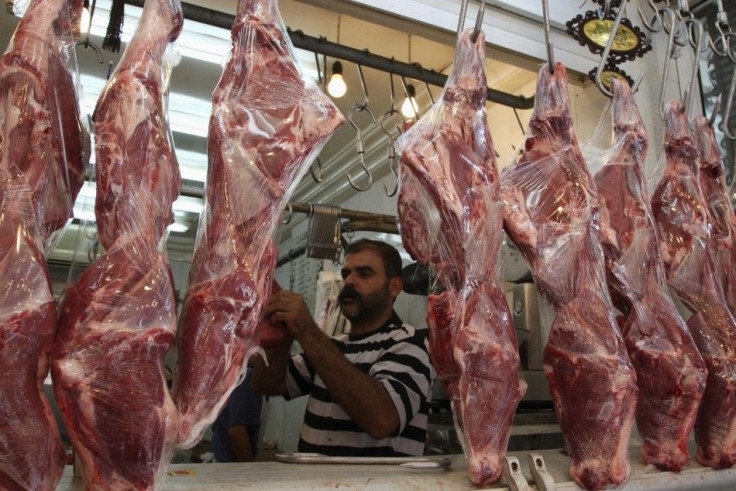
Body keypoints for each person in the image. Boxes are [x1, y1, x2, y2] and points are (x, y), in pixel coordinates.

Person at [251, 238, 435, 456]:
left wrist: (308, 332)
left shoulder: (411, 344)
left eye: (364, 274)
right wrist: (284, 337)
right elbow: (266, 384)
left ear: (394, 287)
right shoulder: (333, 345)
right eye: (346, 273)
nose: (349, 281)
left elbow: (382, 420)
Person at [210, 367, 264, 462]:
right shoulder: (246, 377)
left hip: (222, 461)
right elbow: (237, 432)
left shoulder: (229, 373)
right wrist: (252, 472)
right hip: (232, 466)